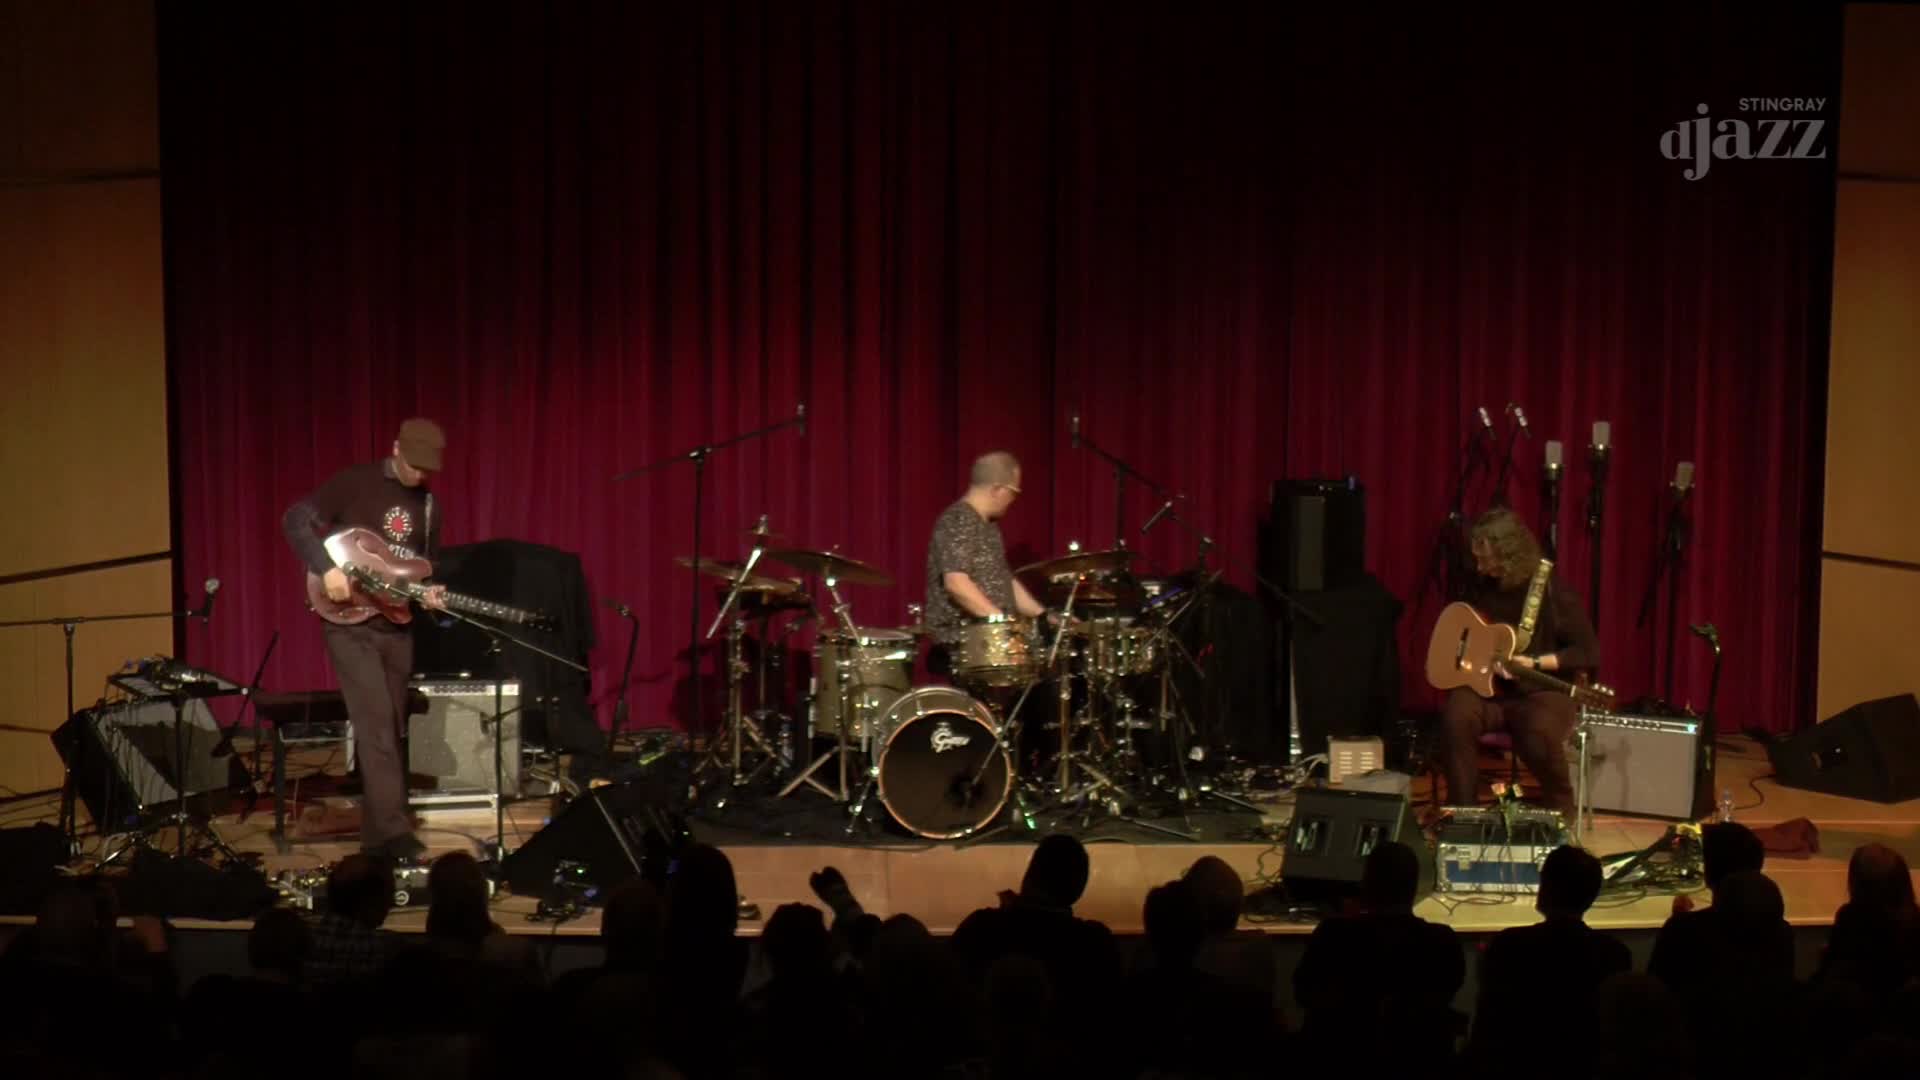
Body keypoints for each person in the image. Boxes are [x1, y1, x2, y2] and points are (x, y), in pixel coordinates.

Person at [283, 418, 449, 860]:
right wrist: (326, 568)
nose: (419, 475)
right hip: (347, 623)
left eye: (427, 469)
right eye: (413, 465)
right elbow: (295, 520)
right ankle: (395, 835)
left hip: (396, 624)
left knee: (391, 727)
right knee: (375, 723)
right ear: (395, 448)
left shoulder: (429, 506)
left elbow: (425, 565)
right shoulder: (355, 483)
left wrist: (431, 593)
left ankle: (378, 838)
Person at [1437, 507, 1599, 813]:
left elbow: (1587, 652)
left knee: (1537, 733)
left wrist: (1535, 664)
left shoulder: (1552, 592)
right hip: (1490, 690)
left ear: (1509, 556)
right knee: (1456, 716)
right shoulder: (1482, 586)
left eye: (1486, 559)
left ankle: (1559, 815)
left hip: (1542, 692)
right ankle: (1464, 815)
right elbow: (1467, 630)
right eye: (1477, 559)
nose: (1480, 567)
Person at [1469, 845, 1631, 1073]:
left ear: (1546, 887)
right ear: (1592, 896)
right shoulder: (1615, 954)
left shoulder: (1509, 945)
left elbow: (1488, 1024)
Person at [924, 451, 1051, 672]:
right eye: (1014, 493)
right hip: (965, 648)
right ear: (997, 490)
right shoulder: (958, 520)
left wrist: (1044, 616)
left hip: (989, 644)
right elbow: (956, 583)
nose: (1014, 501)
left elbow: (1005, 581)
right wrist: (1003, 626)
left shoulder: (989, 527)